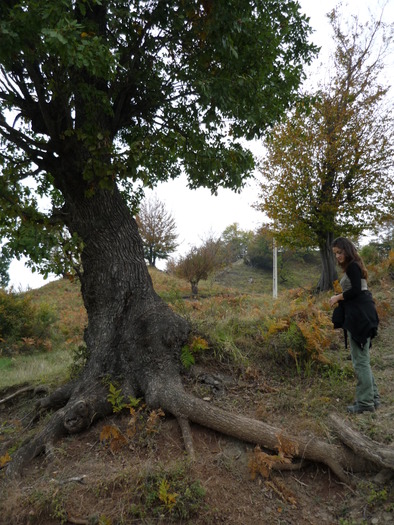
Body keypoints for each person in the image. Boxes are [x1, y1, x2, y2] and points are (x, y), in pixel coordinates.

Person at [329, 237, 380, 414]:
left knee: (360, 361)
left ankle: (365, 403)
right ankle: (373, 397)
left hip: (360, 316)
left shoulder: (352, 266)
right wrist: (342, 295)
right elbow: (357, 290)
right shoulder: (355, 265)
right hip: (362, 313)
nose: (337, 256)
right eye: (335, 253)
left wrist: (338, 297)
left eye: (340, 252)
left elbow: (357, 290)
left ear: (347, 250)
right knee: (363, 358)